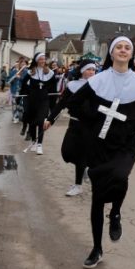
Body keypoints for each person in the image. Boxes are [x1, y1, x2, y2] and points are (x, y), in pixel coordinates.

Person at [45, 37, 135, 268]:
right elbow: (74, 103)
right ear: (111, 53)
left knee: (120, 176)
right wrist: (93, 120)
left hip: (126, 144)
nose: (123, 50)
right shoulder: (97, 80)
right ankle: (96, 248)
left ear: (132, 54)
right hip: (100, 144)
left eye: (127, 47)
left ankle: (116, 213)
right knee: (98, 197)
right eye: (119, 47)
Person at [55, 60, 98, 197]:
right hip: (74, 123)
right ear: (82, 70)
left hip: (89, 126)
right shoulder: (72, 85)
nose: (91, 72)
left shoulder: (98, 85)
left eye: (93, 70)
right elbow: (62, 103)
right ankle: (84, 166)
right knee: (66, 152)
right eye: (89, 69)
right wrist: (50, 118)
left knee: (81, 155)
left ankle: (78, 185)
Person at [21, 53, 58, 155]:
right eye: (40, 59)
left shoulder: (50, 72)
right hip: (32, 100)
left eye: (44, 59)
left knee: (41, 121)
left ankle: (39, 145)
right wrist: (27, 92)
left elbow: (53, 87)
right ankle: (33, 141)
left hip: (44, 100)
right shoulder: (31, 72)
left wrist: (53, 102)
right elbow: (23, 83)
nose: (42, 61)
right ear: (37, 60)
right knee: (32, 122)